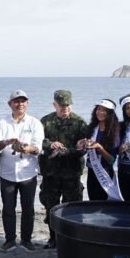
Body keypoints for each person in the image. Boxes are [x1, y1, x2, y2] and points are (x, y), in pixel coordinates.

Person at [0, 89, 44, 252]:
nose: (19, 104)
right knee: (8, 208)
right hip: (7, 173)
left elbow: (38, 148)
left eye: (23, 101)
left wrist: (25, 149)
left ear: (27, 104)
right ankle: (10, 240)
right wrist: (6, 142)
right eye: (16, 101)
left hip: (28, 173)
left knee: (28, 208)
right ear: (10, 104)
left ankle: (26, 240)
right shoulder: (2, 123)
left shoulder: (35, 123)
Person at [39, 90, 89, 249]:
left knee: (71, 207)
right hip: (50, 173)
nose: (65, 108)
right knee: (50, 206)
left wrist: (70, 150)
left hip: (71, 173)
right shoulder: (45, 121)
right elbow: (38, 141)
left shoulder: (80, 123)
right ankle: (52, 237)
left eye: (67, 105)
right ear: (55, 105)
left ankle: (69, 239)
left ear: (71, 104)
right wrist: (50, 145)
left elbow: (83, 148)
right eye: (61, 105)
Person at [80, 99, 121, 201]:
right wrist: (81, 144)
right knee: (93, 201)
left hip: (105, 173)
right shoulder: (92, 128)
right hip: (91, 170)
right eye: (98, 109)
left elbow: (111, 160)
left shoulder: (114, 131)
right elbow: (84, 150)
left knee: (106, 203)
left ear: (110, 113)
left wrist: (100, 148)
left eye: (104, 110)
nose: (100, 112)